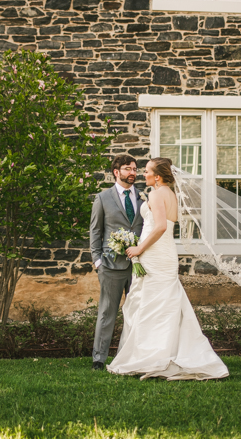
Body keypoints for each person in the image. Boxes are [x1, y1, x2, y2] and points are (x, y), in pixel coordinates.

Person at [108, 157, 229, 380]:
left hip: (154, 253)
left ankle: (153, 356)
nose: (144, 174)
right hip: (163, 254)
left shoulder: (155, 194)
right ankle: (165, 353)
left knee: (152, 305)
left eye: (147, 171)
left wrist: (139, 248)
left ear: (158, 176)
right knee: (162, 304)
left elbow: (161, 226)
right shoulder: (171, 195)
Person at [89, 154, 144, 371]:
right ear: (116, 172)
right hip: (111, 266)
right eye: (128, 169)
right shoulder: (103, 198)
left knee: (139, 311)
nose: (133, 173)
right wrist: (97, 261)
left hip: (139, 265)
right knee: (107, 312)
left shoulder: (142, 197)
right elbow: (95, 230)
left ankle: (135, 355)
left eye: (135, 169)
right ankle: (99, 358)